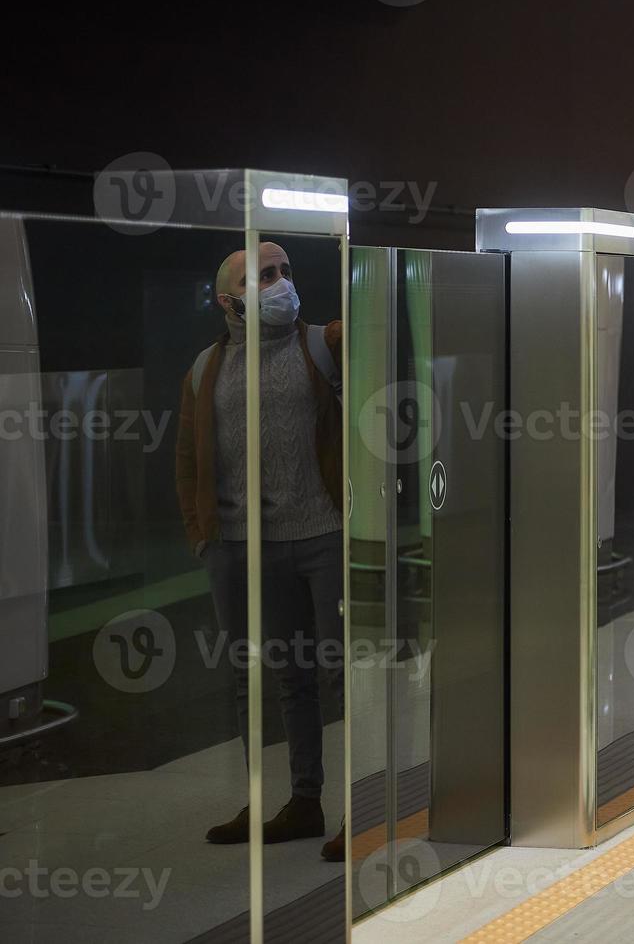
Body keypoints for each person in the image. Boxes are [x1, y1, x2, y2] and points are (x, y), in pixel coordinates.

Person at [175, 241, 347, 861]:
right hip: (246, 547)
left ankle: (360, 807)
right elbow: (189, 457)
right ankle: (299, 802)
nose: (280, 283)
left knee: (340, 673)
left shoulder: (323, 345)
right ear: (228, 300)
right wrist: (203, 536)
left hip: (323, 536)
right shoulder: (205, 368)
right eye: (263, 276)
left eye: (284, 272)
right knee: (275, 679)